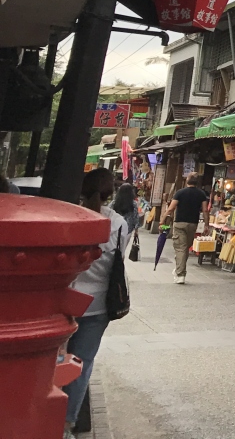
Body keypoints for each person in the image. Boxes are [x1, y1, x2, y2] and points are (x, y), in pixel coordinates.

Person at [64, 168, 129, 437]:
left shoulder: (71, 216)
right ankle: (67, 424)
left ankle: (45, 414)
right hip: (98, 303)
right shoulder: (119, 224)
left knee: (55, 362)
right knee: (82, 364)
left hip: (64, 300)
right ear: (110, 194)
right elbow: (117, 262)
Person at [164, 174, 207, 284]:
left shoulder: (180, 193)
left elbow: (171, 208)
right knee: (185, 248)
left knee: (180, 248)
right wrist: (207, 224)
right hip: (193, 224)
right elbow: (205, 210)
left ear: (187, 181)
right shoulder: (201, 194)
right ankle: (179, 269)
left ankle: (180, 274)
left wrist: (163, 220)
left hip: (179, 223)